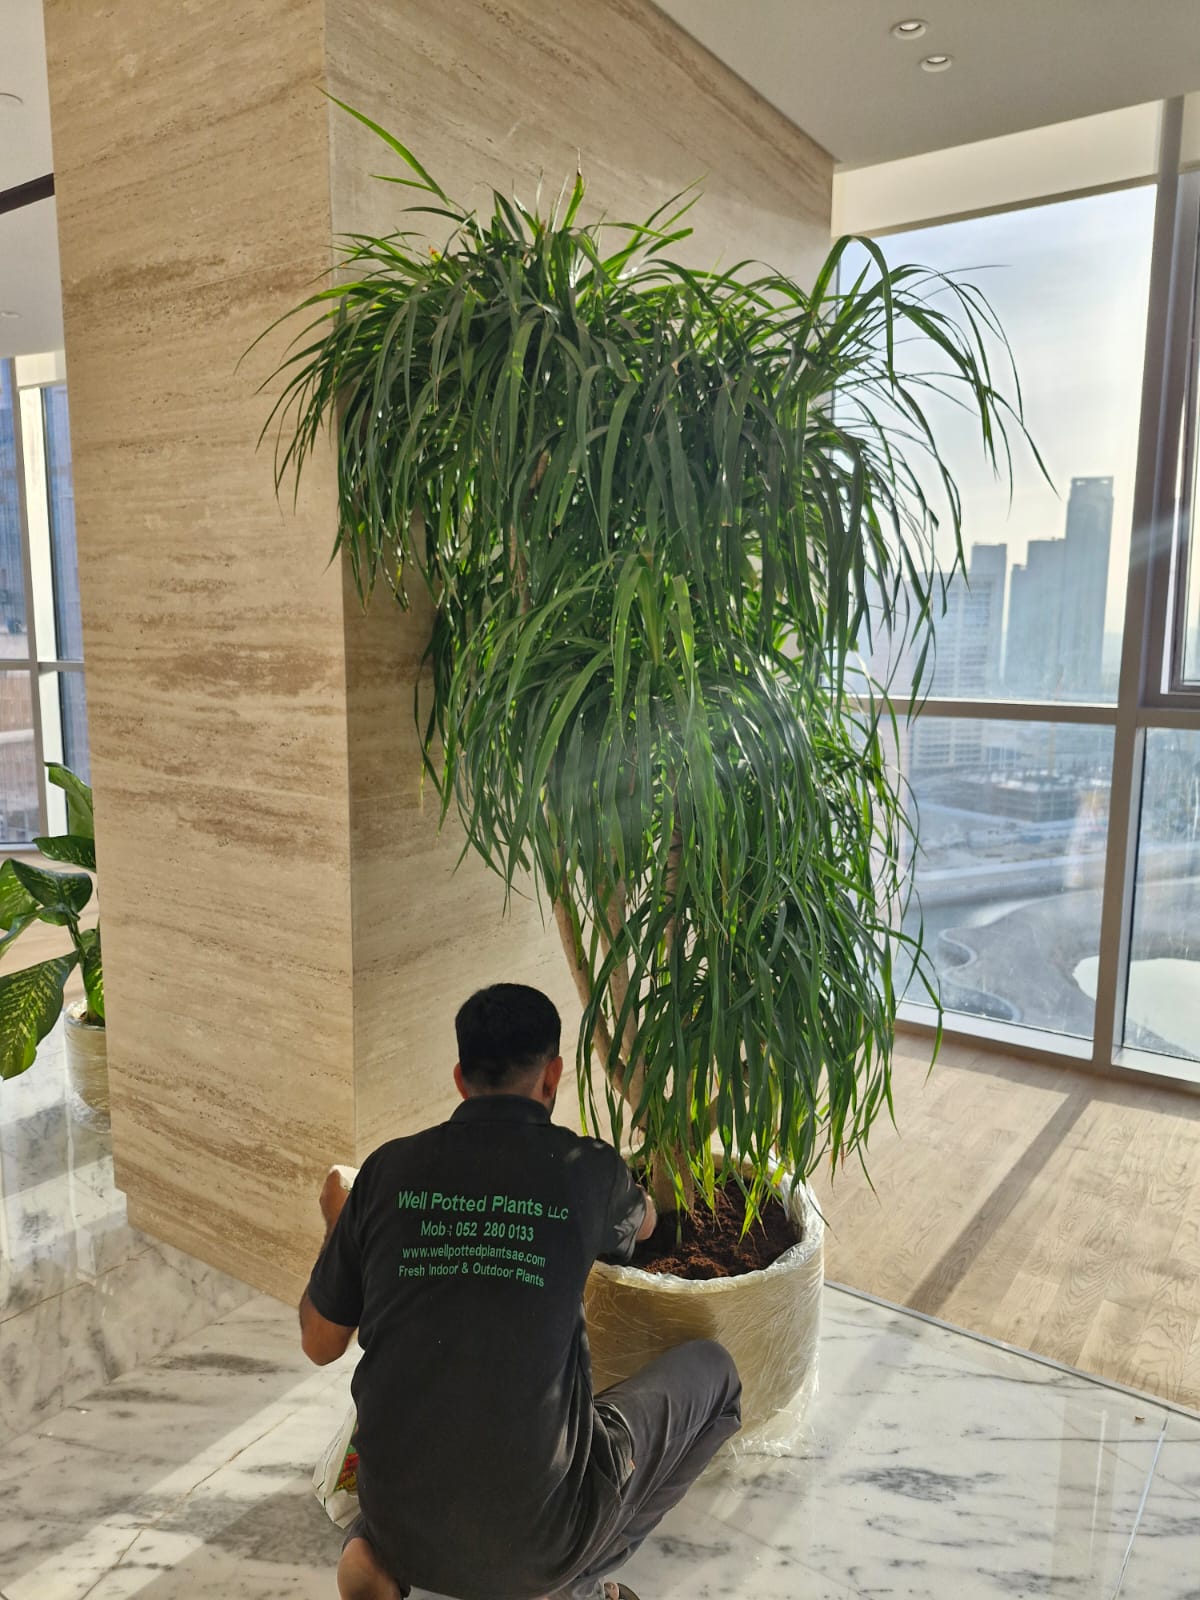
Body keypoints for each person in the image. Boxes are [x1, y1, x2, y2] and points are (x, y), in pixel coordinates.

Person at [300, 982, 742, 1600]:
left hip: (399, 1523)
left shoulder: (387, 1170)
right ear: (552, 1074)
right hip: (541, 1539)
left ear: (460, 1078)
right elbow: (642, 1226)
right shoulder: (586, 1167)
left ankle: (371, 1554)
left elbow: (320, 1343)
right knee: (717, 1375)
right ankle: (575, 1583)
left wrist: (336, 1222)